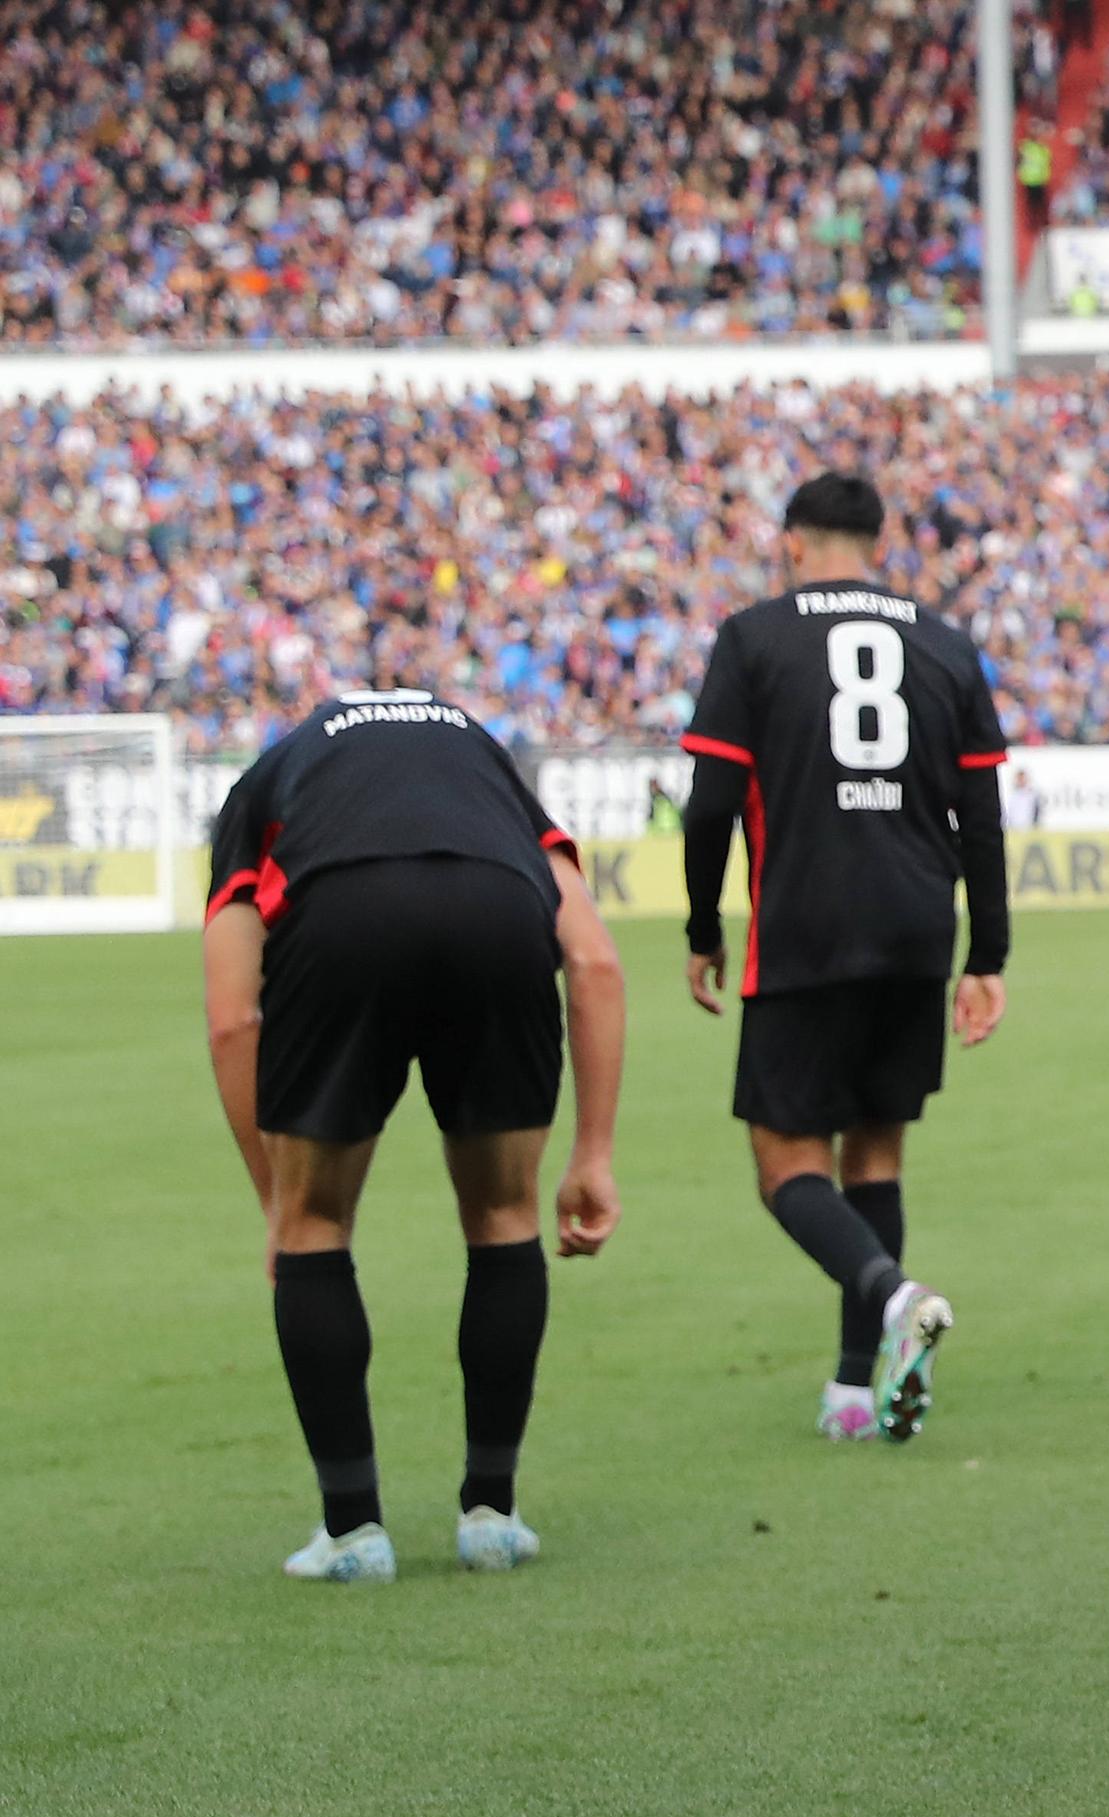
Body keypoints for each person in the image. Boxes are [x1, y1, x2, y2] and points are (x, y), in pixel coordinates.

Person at [201, 689, 627, 1583]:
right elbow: (592, 959)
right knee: (505, 1214)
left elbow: (234, 1018)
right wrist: (592, 1156)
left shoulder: (274, 773)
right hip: (496, 910)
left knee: (318, 1227)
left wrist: (277, 1202)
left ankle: (354, 1532)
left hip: (341, 914)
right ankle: (492, 1517)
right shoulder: (489, 766)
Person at [678, 472, 1013, 1444]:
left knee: (786, 1167)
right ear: (881, 541)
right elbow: (982, 818)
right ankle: (853, 1391)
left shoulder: (752, 637)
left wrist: (703, 926)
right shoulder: (945, 644)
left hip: (804, 926)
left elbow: (708, 805)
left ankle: (891, 1294)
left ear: (791, 544)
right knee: (874, 1155)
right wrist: (986, 954)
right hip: (916, 928)